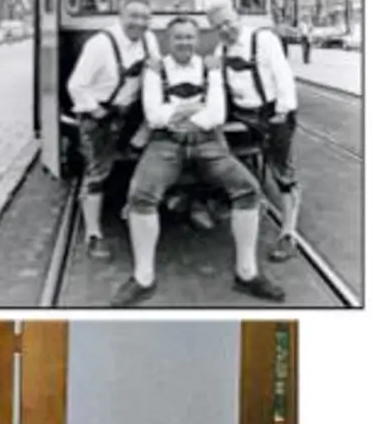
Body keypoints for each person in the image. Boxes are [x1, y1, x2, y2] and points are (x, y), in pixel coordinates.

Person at [112, 17, 286, 307]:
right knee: (141, 195)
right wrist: (193, 109)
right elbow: (153, 116)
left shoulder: (210, 67)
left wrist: (180, 114)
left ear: (197, 39)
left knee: (249, 190)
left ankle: (247, 273)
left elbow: (217, 114)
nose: (185, 43)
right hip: (166, 143)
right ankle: (143, 278)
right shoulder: (156, 69)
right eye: (178, 37)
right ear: (169, 41)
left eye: (190, 37)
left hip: (208, 143)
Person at [66, 0, 160, 260]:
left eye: (144, 17)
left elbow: (154, 72)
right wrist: (97, 112)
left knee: (144, 159)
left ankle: (132, 210)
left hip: (129, 113)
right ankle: (93, 234)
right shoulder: (100, 45)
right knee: (98, 172)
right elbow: (76, 86)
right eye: (134, 16)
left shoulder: (148, 40)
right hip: (100, 114)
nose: (139, 23)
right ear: (121, 17)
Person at [209, 5, 302, 262]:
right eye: (218, 26)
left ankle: (288, 233)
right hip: (241, 115)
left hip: (272, 112)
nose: (225, 29)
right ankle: (236, 201)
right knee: (226, 159)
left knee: (282, 172)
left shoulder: (264, 40)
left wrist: (282, 112)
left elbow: (283, 76)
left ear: (239, 18)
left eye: (228, 22)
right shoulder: (221, 50)